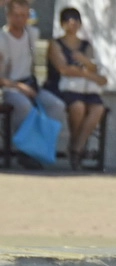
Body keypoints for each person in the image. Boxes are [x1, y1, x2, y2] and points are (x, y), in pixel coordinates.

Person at [0, 0, 66, 169]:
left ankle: (37, 148)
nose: (20, 19)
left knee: (56, 105)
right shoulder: (2, 39)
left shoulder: (32, 34)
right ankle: (23, 150)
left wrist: (29, 86)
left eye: (24, 15)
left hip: (30, 84)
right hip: (9, 88)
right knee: (24, 106)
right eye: (16, 15)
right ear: (8, 16)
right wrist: (19, 87)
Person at [43, 6, 107, 170]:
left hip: (85, 88)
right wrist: (87, 73)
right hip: (61, 87)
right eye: (68, 19)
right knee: (77, 107)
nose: (72, 22)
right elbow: (64, 69)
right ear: (62, 23)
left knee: (98, 108)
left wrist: (84, 63)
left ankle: (76, 147)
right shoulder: (55, 44)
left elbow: (94, 67)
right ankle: (76, 148)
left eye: (76, 19)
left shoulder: (86, 45)